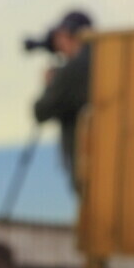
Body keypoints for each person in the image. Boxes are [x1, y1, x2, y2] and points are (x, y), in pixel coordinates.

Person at [32, 10, 93, 191]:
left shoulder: (73, 69)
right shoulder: (105, 59)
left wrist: (50, 84)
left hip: (84, 159)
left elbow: (41, 111)